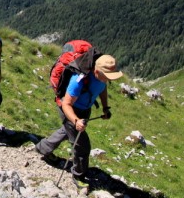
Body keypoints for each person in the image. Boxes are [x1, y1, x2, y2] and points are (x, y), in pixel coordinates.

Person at [33, 54, 123, 184]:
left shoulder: (101, 78)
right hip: (70, 110)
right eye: (107, 76)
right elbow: (66, 104)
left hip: (85, 109)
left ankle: (42, 148)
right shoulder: (79, 80)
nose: (109, 79)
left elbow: (103, 89)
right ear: (97, 71)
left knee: (67, 131)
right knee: (82, 145)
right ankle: (78, 176)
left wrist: (105, 107)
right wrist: (76, 121)